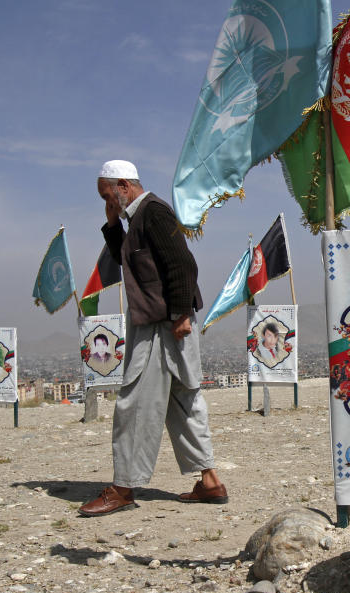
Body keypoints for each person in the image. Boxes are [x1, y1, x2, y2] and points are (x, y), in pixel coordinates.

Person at [79, 160, 227, 517]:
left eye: (107, 195)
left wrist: (178, 315)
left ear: (123, 185)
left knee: (135, 402)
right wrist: (113, 223)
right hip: (162, 321)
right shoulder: (136, 219)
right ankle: (210, 482)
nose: (106, 201)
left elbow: (182, 265)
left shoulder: (153, 212)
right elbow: (125, 259)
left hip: (164, 324)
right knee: (182, 400)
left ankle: (123, 487)